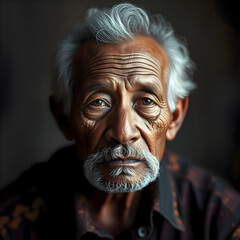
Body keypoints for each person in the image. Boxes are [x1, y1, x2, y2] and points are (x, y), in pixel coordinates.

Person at [0, 3, 240, 240]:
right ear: (64, 119)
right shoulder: (13, 222)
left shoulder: (220, 217)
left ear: (175, 117)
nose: (123, 132)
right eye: (98, 102)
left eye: (146, 101)